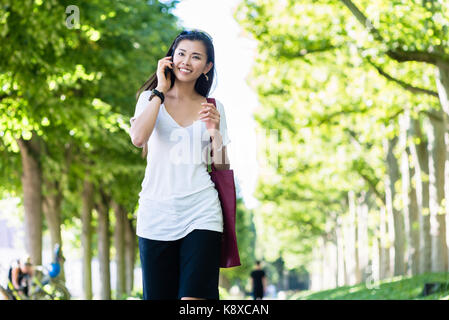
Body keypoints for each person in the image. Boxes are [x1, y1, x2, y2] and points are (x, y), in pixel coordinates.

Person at [129, 29, 231, 300]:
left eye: (196, 57)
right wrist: (160, 92)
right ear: (170, 58)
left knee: (194, 301)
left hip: (201, 212)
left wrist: (215, 131)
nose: (186, 61)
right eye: (182, 53)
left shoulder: (213, 106)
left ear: (207, 67)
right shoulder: (150, 99)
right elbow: (139, 138)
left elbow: (221, 166)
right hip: (156, 213)